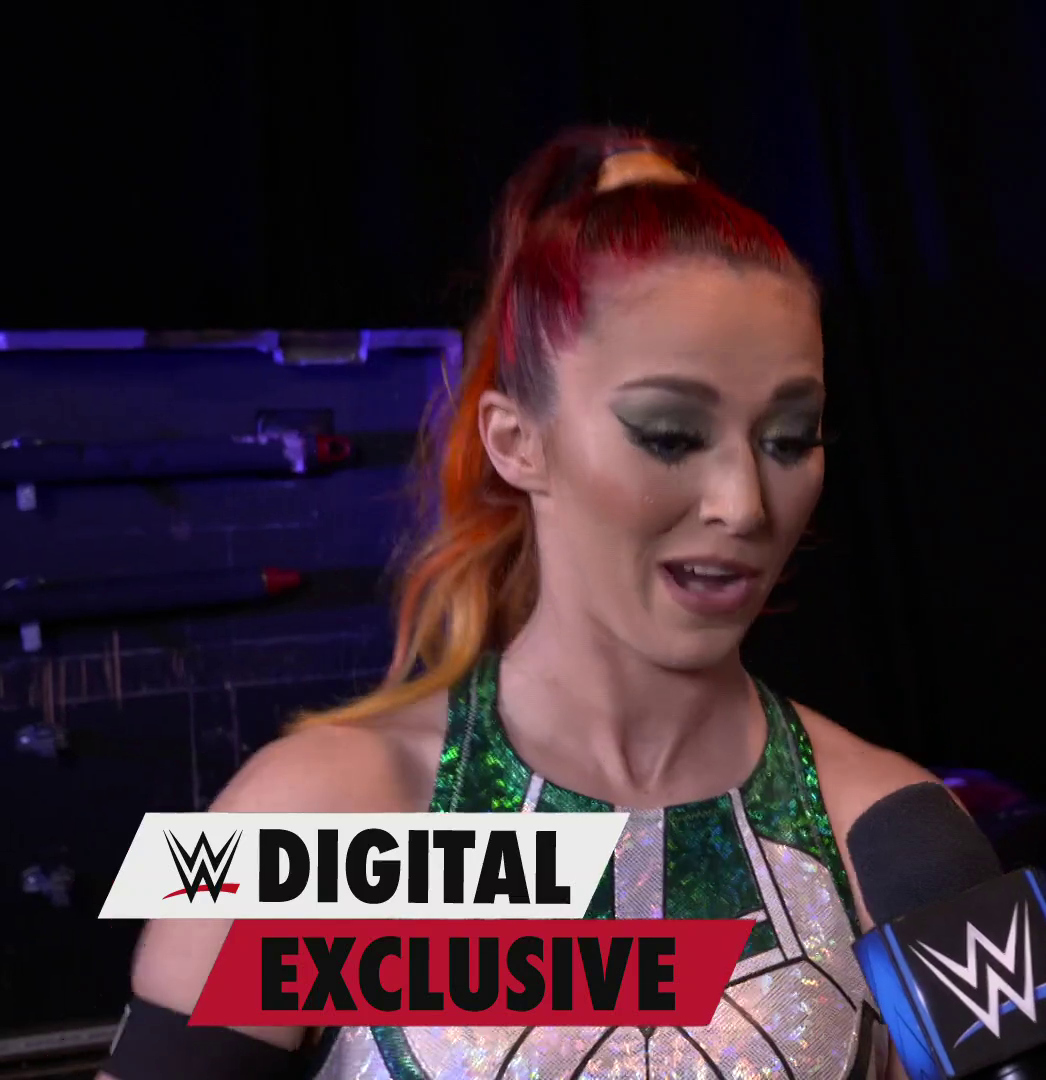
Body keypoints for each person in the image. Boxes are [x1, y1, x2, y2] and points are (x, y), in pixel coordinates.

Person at [103, 128, 947, 1080]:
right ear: (516, 442)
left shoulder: (895, 832)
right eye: (670, 434)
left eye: (790, 439)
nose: (744, 505)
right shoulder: (304, 821)